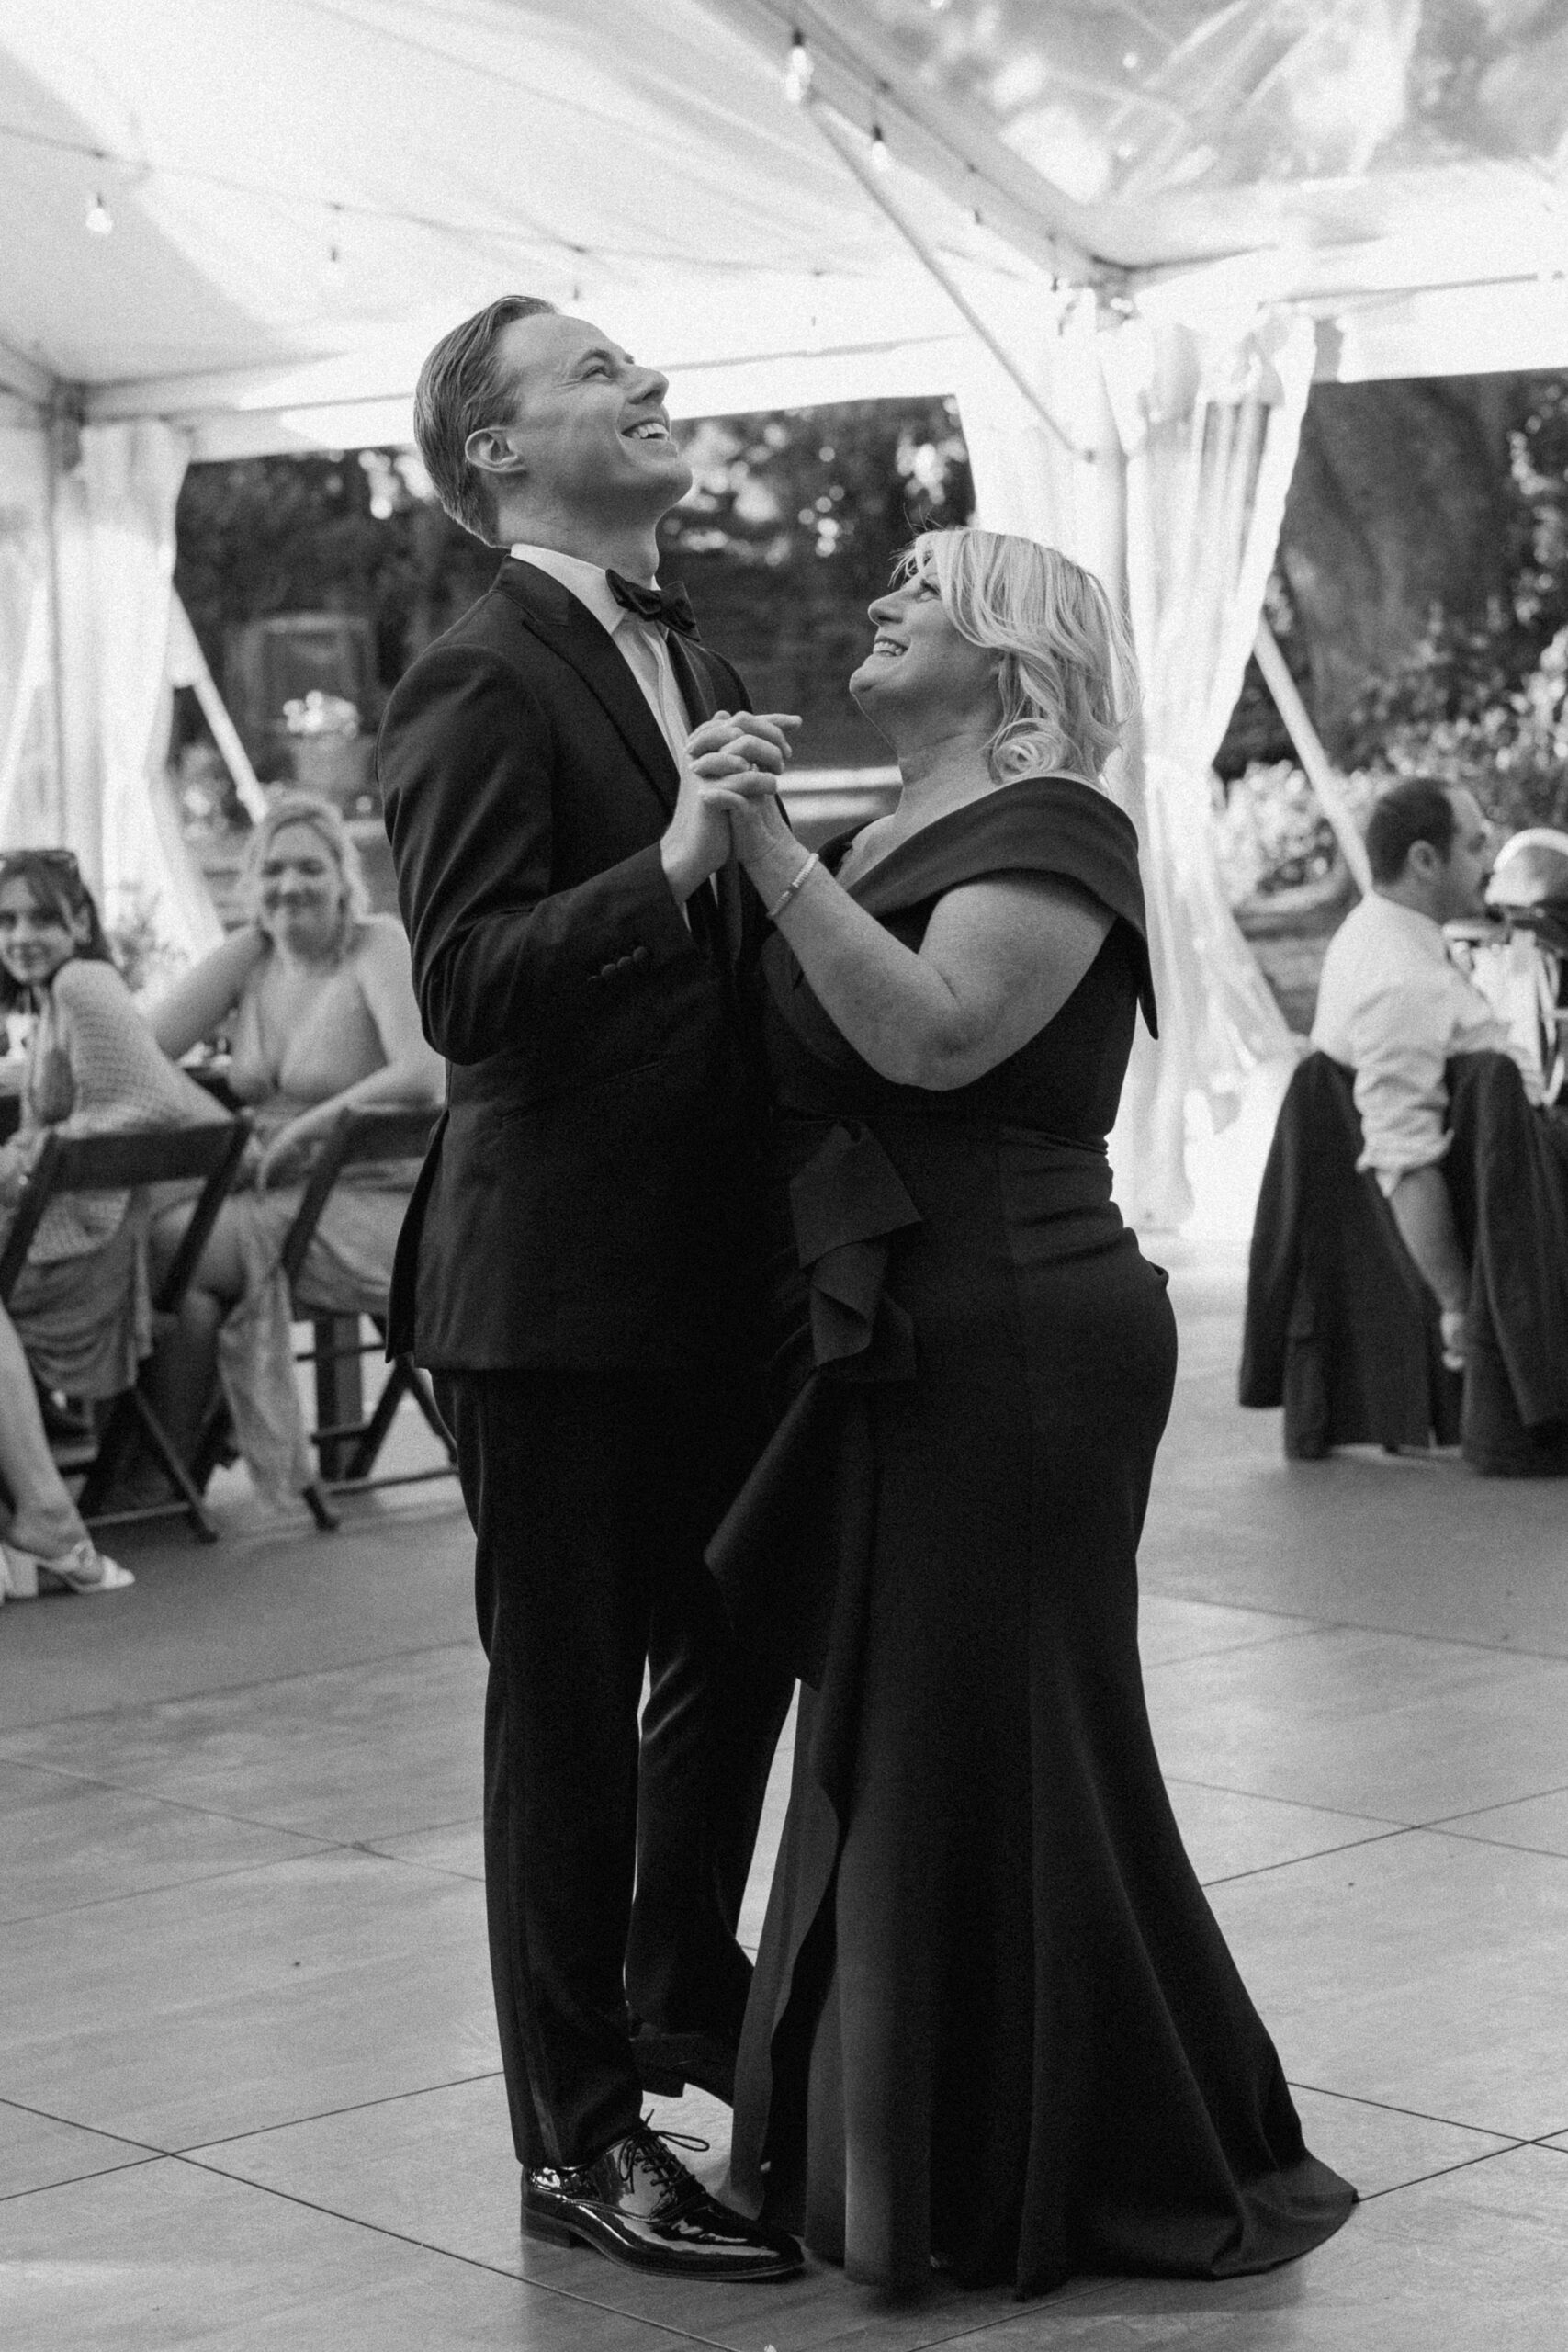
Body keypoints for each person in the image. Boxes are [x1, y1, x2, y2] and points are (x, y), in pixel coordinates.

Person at [694, 527, 1356, 2297]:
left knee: (997, 1734)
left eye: (926, 577)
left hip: (1013, 1329)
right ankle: (913, 2160)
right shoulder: (867, 838)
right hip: (892, 1321)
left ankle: (1047, 2159)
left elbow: (935, 1038)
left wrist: (757, 848)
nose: (884, 591)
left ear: (1007, 650)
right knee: (906, 1736)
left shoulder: (1056, 822)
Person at [377, 296, 799, 2280]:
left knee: (742, 1631)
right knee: (560, 1711)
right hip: (547, 1295)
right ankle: (578, 2131)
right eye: (599, 370)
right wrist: (675, 861)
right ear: (495, 453)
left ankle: (672, 2001)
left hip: (719, 1279)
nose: (649, 382)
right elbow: (466, 988)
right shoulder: (476, 673)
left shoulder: (688, 640)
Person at [148, 793, 444, 1504]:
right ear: (250, 884)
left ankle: (162, 1467)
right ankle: (166, 1470)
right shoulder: (255, 961)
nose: (290, 886)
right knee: (152, 1255)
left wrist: (305, 1131)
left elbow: (424, 1074)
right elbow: (140, 1049)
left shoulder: (377, 945)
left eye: (310, 868)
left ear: (344, 876)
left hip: (376, 1204)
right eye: (272, 871)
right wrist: (240, 946)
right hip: (278, 1195)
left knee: (165, 1245)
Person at [0, 850, 220, 1601]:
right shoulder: (59, 996)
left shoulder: (81, 982)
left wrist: (38, 1159)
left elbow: (156, 1105)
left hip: (82, 1244)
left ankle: (43, 1514)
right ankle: (40, 1513)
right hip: (77, 1230)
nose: (21, 934)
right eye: (6, 920)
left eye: (39, 917)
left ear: (81, 923)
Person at [1310, 777, 1529, 1370]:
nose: (1489, 862)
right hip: (1512, 1201)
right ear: (1425, 860)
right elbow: (1403, 1153)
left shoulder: (1387, 930)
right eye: (1477, 845)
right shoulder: (1398, 977)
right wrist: (1459, 1304)